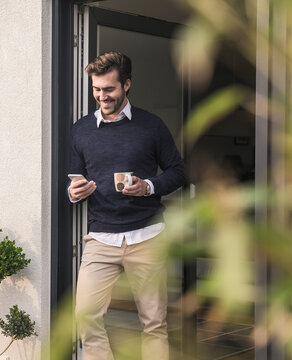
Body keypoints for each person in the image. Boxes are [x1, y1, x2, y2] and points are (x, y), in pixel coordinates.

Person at [69, 51, 187, 360]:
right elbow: (73, 179)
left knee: (154, 323)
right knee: (86, 315)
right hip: (101, 238)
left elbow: (178, 172)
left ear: (127, 85)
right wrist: (74, 190)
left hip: (147, 236)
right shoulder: (80, 130)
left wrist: (147, 186)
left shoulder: (152, 126)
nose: (101, 96)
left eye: (109, 89)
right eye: (96, 89)